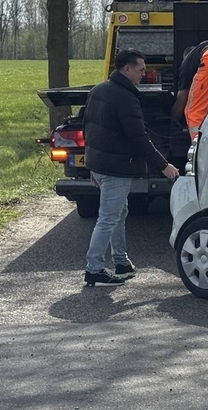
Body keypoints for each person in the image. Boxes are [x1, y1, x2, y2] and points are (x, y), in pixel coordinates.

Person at [83, 48, 179, 287]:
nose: (143, 74)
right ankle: (93, 268)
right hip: (117, 168)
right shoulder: (125, 98)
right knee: (108, 218)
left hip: (102, 165)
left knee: (119, 213)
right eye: (140, 69)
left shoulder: (98, 90)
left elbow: (89, 130)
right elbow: (139, 138)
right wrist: (163, 165)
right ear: (127, 69)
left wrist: (92, 168)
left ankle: (121, 262)